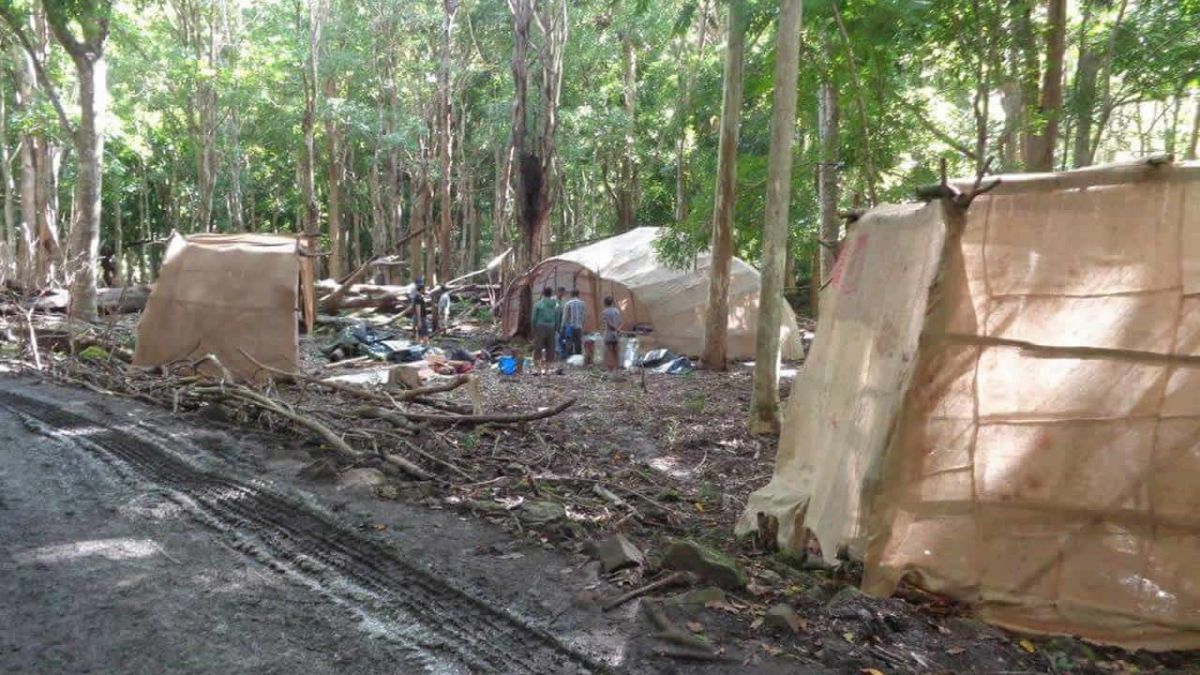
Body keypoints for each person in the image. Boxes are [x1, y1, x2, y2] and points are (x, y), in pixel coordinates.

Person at [531, 286, 560, 375]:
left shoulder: (538, 304)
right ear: (551, 294)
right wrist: (556, 328)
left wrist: (533, 329)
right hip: (551, 327)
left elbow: (534, 318)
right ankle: (547, 370)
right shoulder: (556, 304)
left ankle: (538, 370)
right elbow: (557, 317)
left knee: (538, 347)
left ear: (543, 293)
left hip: (540, 327)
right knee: (550, 348)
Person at [561, 289, 586, 357]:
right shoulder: (582, 303)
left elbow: (565, 316)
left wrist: (562, 326)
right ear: (578, 294)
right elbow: (584, 316)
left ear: (571, 295)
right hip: (579, 327)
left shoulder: (568, 303)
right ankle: (578, 357)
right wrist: (583, 325)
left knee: (569, 343)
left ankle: (570, 357)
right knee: (578, 343)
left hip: (569, 327)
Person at [601, 296, 622, 371]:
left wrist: (614, 328)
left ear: (605, 303)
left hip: (609, 334)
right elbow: (620, 322)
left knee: (609, 351)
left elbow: (608, 323)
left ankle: (610, 367)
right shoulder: (617, 311)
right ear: (612, 302)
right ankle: (617, 366)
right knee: (616, 351)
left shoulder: (605, 312)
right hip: (616, 334)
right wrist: (618, 329)